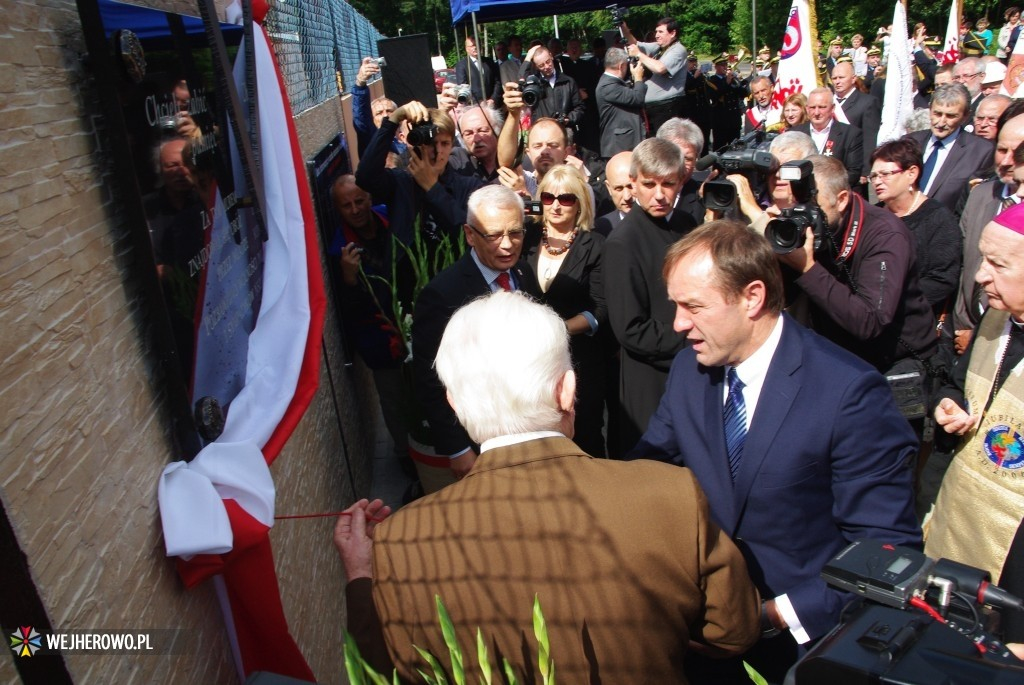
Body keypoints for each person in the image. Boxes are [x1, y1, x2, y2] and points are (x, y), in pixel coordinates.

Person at [335, 291, 761, 683]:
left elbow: (378, 670)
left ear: (454, 406)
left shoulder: (398, 542)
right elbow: (734, 632)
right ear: (567, 390)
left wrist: (360, 576)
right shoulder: (670, 494)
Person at [631, 220, 921, 682]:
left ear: (752, 297)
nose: (678, 324)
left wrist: (772, 615)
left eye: (693, 306)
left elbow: (886, 550)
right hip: (703, 631)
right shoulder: (692, 366)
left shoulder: (848, 394)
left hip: (806, 643)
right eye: (675, 306)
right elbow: (650, 467)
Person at [927, 202, 1024, 644]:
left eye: (998, 264)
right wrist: (948, 402)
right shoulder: (998, 317)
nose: (981, 276)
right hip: (957, 509)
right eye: (981, 259)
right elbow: (955, 379)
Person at [410, 186, 539, 490]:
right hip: (479, 442)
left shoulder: (523, 273)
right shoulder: (443, 295)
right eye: (494, 235)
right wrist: (457, 448)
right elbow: (430, 378)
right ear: (470, 234)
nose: (507, 245)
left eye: (516, 233)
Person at [778, 155, 937, 389]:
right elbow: (783, 297)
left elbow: (870, 321)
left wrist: (807, 268)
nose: (804, 212)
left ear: (842, 200)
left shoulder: (885, 235)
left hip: (893, 363)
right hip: (839, 356)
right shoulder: (815, 225)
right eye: (797, 202)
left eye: (812, 204)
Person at [604, 138, 696, 453]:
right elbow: (631, 329)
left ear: (681, 180)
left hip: (694, 373)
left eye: (668, 184)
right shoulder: (623, 243)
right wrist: (695, 336)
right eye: (649, 184)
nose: (659, 194)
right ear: (633, 182)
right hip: (651, 383)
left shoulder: (687, 224)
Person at [329, 176, 418, 490]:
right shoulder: (339, 249)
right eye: (346, 205)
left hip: (414, 323)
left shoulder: (388, 216)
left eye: (359, 200)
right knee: (393, 399)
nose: (355, 209)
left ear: (370, 198)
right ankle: (404, 453)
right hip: (380, 340)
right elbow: (347, 310)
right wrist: (349, 280)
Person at [523, 166, 607, 456]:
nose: (556, 205)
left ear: (580, 202)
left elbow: (600, 309)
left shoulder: (595, 245)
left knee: (584, 435)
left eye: (566, 198)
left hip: (580, 360)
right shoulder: (526, 237)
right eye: (548, 197)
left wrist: (556, 331)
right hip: (532, 360)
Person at [355, 101, 481, 246]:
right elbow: (365, 177)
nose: (438, 150)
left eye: (444, 143)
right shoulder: (400, 182)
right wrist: (393, 121)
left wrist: (433, 188)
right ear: (417, 143)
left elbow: (470, 237)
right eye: (430, 143)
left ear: (452, 145)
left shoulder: (470, 186)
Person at [953, 113, 1024, 355]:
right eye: (1001, 149)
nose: (1006, 161)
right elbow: (963, 264)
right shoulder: (979, 194)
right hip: (961, 332)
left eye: (1017, 153)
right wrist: (962, 324)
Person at [870, 139, 962, 319]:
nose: (877, 182)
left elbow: (942, 279)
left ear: (911, 173)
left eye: (885, 174)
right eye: (874, 176)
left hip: (913, 320)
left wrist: (893, 302)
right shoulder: (873, 215)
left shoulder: (938, 218)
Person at [905, 83, 994, 213]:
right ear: (930, 109)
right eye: (937, 113)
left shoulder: (981, 152)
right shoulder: (910, 141)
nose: (941, 123)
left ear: (965, 116)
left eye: (950, 116)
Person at [619, 17, 689, 135]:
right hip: (654, 108)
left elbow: (659, 68)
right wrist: (624, 29)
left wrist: (639, 54)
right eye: (656, 31)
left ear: (673, 33)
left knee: (666, 146)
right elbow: (635, 43)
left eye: (661, 32)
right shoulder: (659, 47)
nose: (656, 35)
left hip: (667, 107)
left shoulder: (678, 50)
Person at [790, 87, 864, 190]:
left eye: (822, 107)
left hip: (835, 195)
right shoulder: (795, 134)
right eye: (812, 107)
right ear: (806, 108)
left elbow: (853, 172)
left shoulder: (851, 134)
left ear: (832, 108)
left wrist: (824, 189)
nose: (816, 112)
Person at [831, 60, 880, 185]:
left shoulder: (867, 102)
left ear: (853, 79)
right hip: (831, 164)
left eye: (841, 77)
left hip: (854, 165)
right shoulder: (827, 103)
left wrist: (865, 170)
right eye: (834, 78)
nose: (837, 81)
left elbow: (870, 138)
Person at [595, 47, 647, 159]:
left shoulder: (612, 83)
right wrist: (638, 78)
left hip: (623, 145)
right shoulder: (607, 86)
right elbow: (638, 98)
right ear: (621, 66)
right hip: (619, 146)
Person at [518, 46, 586, 131]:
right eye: (541, 65)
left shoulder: (568, 81)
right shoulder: (534, 83)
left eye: (548, 62)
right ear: (536, 66)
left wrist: (568, 119)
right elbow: (521, 81)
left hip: (563, 131)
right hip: (541, 131)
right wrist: (528, 58)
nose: (546, 67)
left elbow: (579, 107)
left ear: (551, 56)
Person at [656, 117, 707, 227]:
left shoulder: (702, 200)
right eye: (673, 156)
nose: (680, 165)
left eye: (687, 159)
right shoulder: (638, 190)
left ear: (696, 160)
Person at [449, 103, 503, 183]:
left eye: (482, 131)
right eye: (469, 133)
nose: (476, 139)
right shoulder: (458, 161)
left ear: (498, 131)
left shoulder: (517, 163)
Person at [707, 54, 746, 149]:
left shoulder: (732, 79)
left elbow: (743, 93)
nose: (725, 67)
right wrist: (727, 83)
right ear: (716, 67)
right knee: (721, 148)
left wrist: (737, 81)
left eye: (725, 64)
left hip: (734, 120)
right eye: (722, 65)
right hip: (721, 121)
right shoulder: (711, 81)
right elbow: (715, 96)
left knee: (736, 147)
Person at [594, 150, 633, 236]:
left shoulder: (662, 222)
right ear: (609, 188)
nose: (627, 196)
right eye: (619, 188)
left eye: (631, 186)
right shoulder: (601, 230)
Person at [455, 36, 500, 106]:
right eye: (472, 46)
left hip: (492, 104)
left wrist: (493, 99)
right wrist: (478, 102)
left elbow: (497, 82)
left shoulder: (489, 62)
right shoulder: (462, 65)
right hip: (473, 106)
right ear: (467, 48)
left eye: (477, 45)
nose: (475, 48)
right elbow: (463, 87)